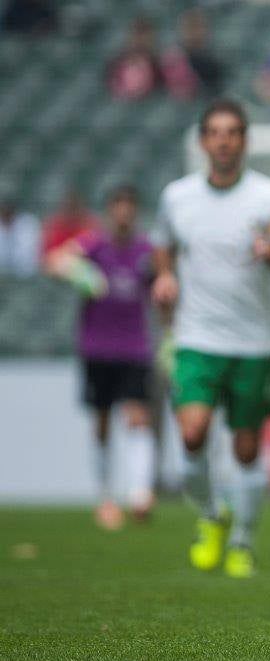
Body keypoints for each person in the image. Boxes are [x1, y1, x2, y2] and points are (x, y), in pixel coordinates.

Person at [151, 99, 270, 578]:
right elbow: (162, 246)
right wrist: (165, 276)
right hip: (196, 338)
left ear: (244, 141)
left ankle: (243, 540)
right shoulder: (177, 197)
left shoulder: (269, 197)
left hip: (252, 343)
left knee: (246, 450)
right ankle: (212, 515)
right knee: (191, 435)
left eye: (232, 132)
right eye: (215, 132)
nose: (224, 141)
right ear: (203, 141)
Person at [50, 185, 157, 529]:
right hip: (97, 347)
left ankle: (140, 493)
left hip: (135, 347)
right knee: (102, 421)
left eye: (129, 206)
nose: (124, 213)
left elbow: (162, 286)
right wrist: (82, 274)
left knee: (138, 415)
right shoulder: (93, 245)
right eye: (118, 206)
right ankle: (106, 496)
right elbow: (54, 261)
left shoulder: (146, 250)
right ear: (110, 211)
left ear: (135, 211)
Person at [162, 9, 225, 100]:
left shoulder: (216, 58)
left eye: (198, 27)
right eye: (189, 27)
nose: (193, 33)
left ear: (207, 30)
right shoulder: (171, 59)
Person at [105, 16, 162, 100]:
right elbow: (111, 90)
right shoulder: (116, 64)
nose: (141, 41)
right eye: (138, 35)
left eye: (146, 37)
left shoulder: (158, 66)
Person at [41, 187, 102, 263]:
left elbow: (95, 251)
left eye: (74, 205)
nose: (71, 208)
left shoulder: (89, 224)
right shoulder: (55, 225)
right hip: (58, 266)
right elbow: (46, 257)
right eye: (68, 204)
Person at [0, 190, 40, 278]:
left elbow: (28, 255)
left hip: (25, 275)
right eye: (3, 209)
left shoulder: (28, 223)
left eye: (8, 209)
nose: (6, 212)